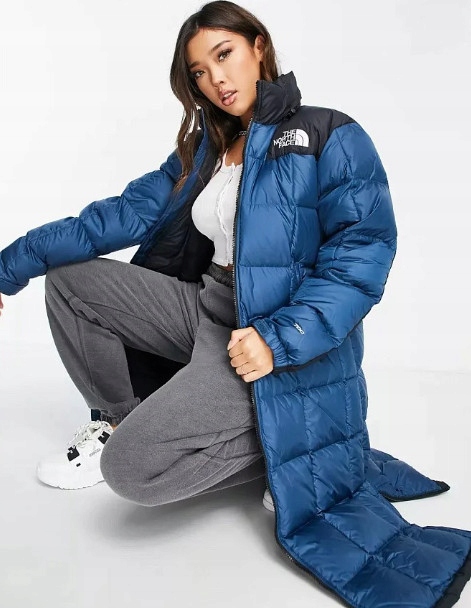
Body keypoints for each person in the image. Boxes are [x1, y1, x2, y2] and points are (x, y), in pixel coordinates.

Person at [2, 2, 471, 606]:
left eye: (224, 55)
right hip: (207, 310)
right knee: (70, 279)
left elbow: (364, 252)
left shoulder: (329, 134)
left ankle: (282, 453)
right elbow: (114, 217)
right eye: (199, 72)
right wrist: (5, 269)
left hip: (273, 338)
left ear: (258, 47)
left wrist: (278, 338)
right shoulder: (204, 151)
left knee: (131, 470)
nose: (216, 79)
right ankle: (115, 417)